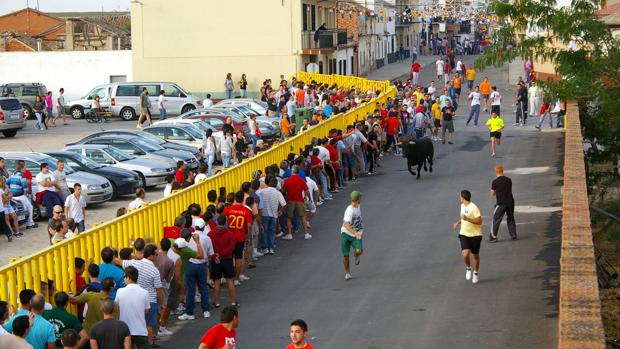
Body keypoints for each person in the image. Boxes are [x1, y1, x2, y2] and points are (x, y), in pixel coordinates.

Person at [115, 245, 164, 347]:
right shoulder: (154, 270)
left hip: (132, 298)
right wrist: (162, 303)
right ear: (151, 256)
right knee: (149, 324)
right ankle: (149, 343)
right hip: (150, 299)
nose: (157, 256)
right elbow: (159, 289)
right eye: (156, 254)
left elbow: (118, 261)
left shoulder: (133, 263)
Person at [114, 266, 150, 349]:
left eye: (124, 277)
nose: (124, 279)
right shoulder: (145, 292)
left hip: (123, 330)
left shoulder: (120, 291)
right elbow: (147, 310)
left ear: (128, 278)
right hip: (140, 330)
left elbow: (116, 308)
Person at [452, 190, 483, 284]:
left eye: (460, 197)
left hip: (476, 235)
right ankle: (468, 268)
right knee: (465, 253)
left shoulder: (474, 207)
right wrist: (458, 222)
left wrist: (467, 219)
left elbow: (479, 221)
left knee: (475, 256)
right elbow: (463, 217)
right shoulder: (462, 206)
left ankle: (476, 273)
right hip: (464, 234)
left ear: (463, 198)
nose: (459, 198)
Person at [208, 215, 239, 307]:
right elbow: (231, 248)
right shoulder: (230, 234)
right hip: (227, 259)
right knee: (230, 280)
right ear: (225, 222)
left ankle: (217, 303)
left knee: (217, 281)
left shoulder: (210, 234)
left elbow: (209, 247)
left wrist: (215, 255)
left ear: (217, 222)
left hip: (215, 260)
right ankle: (233, 301)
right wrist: (221, 254)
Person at [224, 191, 253, 286]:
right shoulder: (246, 211)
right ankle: (236, 279)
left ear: (235, 199)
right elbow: (249, 226)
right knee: (238, 258)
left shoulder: (228, 209)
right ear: (243, 200)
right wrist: (248, 237)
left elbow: (222, 221)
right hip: (240, 238)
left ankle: (226, 277)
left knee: (228, 257)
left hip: (229, 237)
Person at [281, 166, 311, 240]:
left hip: (290, 200)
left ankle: (289, 234)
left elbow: (283, 190)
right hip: (300, 200)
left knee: (288, 217)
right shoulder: (301, 180)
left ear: (292, 171)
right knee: (303, 217)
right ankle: (306, 234)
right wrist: (309, 198)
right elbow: (307, 191)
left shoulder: (287, 180)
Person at [341, 191, 364, 281]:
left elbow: (357, 217)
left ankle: (356, 255)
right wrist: (355, 233)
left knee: (359, 251)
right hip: (346, 234)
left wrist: (361, 224)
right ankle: (347, 273)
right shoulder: (349, 210)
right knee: (346, 256)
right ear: (358, 200)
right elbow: (346, 224)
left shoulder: (358, 206)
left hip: (357, 232)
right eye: (360, 198)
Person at [7, 161, 37, 229]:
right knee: (30, 207)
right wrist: (28, 192)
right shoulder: (22, 175)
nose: (25, 169)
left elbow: (7, 184)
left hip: (12, 196)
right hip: (20, 196)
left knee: (23, 208)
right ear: (21, 169)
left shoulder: (12, 175)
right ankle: (30, 223)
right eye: (24, 168)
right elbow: (25, 187)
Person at [490, 165, 517, 242]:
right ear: (502, 171)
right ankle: (513, 234)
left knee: (496, 218)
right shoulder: (509, 180)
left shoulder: (495, 182)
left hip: (501, 203)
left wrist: (495, 191)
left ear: (496, 172)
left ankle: (493, 236)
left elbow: (492, 193)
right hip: (510, 202)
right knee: (510, 217)